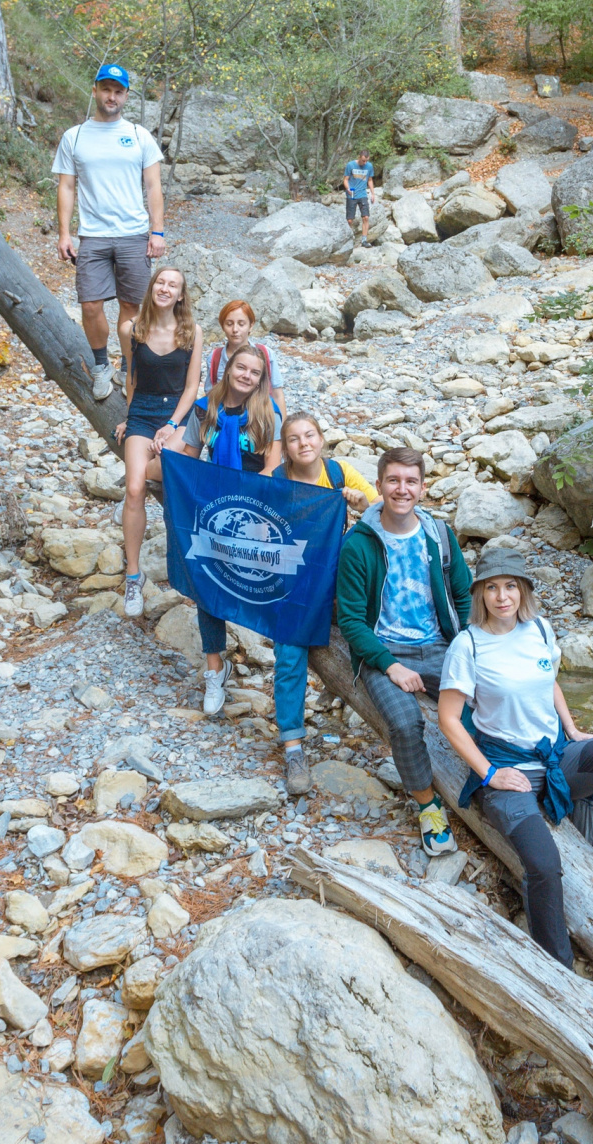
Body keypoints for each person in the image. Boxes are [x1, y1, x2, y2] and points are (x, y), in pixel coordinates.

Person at [437, 548, 593, 965]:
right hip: (508, 769)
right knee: (544, 864)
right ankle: (556, 967)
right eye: (493, 588)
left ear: (523, 591)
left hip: (554, 757)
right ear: (480, 594)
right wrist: (489, 775)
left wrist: (572, 729)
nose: (503, 596)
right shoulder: (468, 646)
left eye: (511, 586)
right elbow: (449, 718)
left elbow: (549, 681)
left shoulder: (539, 629)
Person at [335, 447, 474, 857]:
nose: (402, 489)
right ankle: (428, 806)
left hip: (438, 644)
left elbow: (463, 594)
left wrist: (468, 645)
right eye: (393, 480)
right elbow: (352, 622)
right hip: (384, 648)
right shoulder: (358, 544)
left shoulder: (438, 535)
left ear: (423, 487)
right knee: (404, 721)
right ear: (378, 486)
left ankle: (496, 778)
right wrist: (390, 665)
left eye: (410, 481)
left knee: (485, 700)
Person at [269, 413, 380, 796]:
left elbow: (384, 512)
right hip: (295, 580)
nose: (304, 444)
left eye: (310, 435)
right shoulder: (278, 480)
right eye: (295, 438)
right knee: (288, 655)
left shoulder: (338, 472)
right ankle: (293, 746)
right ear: (286, 447)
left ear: (321, 439)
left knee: (366, 620)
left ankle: (345, 682)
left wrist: (362, 502)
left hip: (335, 576)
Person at [53, 63, 167, 402]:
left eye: (118, 91)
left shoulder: (138, 135)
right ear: (95, 91)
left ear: (126, 95)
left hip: (133, 234)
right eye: (106, 89)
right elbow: (66, 187)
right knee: (90, 305)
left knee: (131, 308)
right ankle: (100, 365)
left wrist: (156, 232)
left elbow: (153, 185)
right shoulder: (74, 137)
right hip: (93, 236)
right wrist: (64, 233)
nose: (111, 96)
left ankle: (126, 366)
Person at [180, 346, 282, 714]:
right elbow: (189, 460)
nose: (246, 376)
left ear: (261, 379)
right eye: (241, 367)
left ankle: (285, 674)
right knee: (208, 587)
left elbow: (273, 470)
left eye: (254, 372)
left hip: (254, 514)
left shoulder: (270, 414)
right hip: (214, 513)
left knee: (262, 586)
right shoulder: (205, 409)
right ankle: (214, 669)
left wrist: (243, 501)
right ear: (228, 368)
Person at [115, 268, 202, 618]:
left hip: (177, 415)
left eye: (173, 285)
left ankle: (155, 459)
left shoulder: (191, 331)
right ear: (152, 289)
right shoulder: (131, 329)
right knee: (135, 489)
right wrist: (128, 415)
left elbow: (193, 386)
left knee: (169, 461)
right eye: (160, 283)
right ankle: (133, 576)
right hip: (142, 412)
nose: (165, 289)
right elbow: (131, 377)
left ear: (181, 295)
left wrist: (171, 424)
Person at [205, 300, 285, 403]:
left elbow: (277, 394)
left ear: (250, 326)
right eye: (229, 324)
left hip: (259, 416)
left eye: (241, 324)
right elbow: (210, 395)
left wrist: (281, 419)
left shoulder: (266, 354)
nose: (235, 329)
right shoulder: (214, 358)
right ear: (222, 327)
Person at [343, 150, 376, 237]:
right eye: (363, 160)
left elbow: (370, 180)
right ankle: (349, 237)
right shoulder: (350, 165)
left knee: (366, 217)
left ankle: (364, 240)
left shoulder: (369, 166)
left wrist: (373, 194)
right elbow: (345, 180)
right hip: (352, 193)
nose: (365, 163)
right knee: (350, 220)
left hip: (363, 194)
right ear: (359, 157)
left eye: (366, 161)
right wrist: (348, 188)